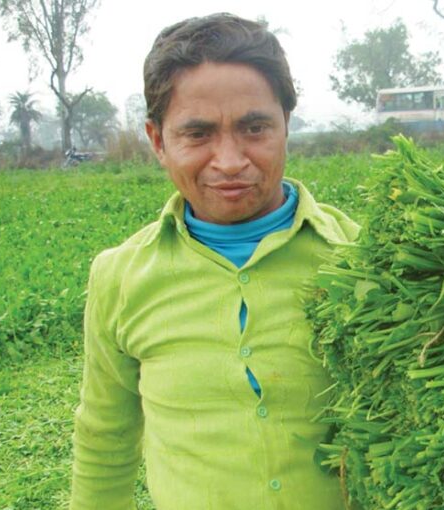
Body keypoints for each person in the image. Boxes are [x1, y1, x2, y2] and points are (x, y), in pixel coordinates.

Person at [69, 13, 358, 508]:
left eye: (254, 128)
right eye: (198, 134)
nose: (229, 161)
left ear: (286, 124)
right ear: (158, 141)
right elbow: (104, 437)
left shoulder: (361, 257)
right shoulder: (120, 277)